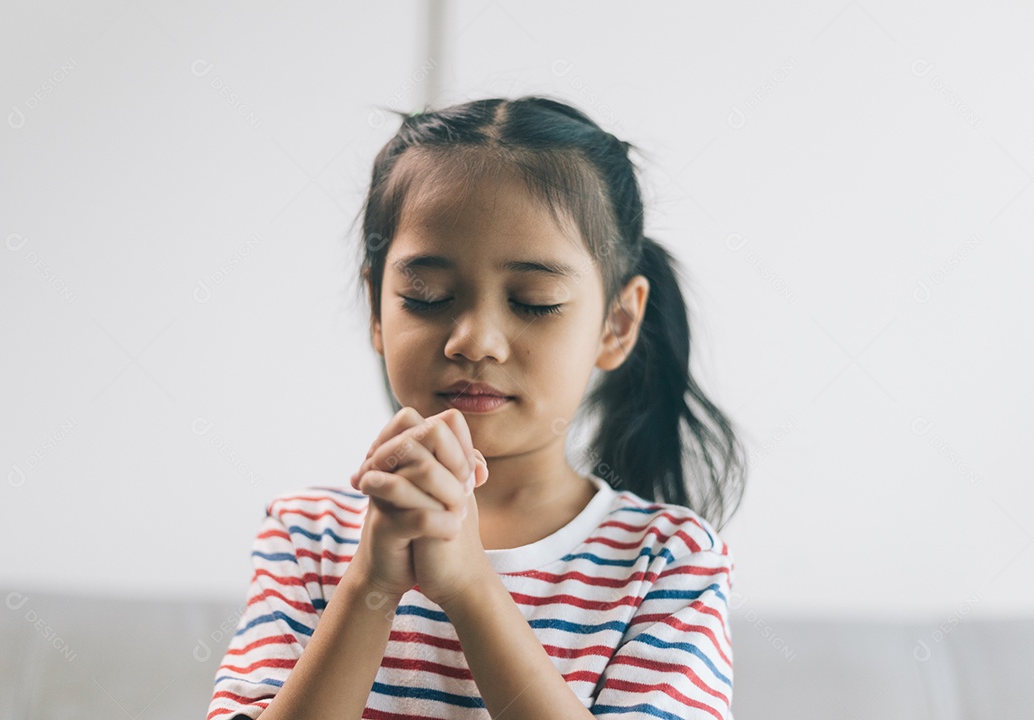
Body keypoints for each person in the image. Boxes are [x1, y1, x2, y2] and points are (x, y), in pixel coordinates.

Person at [205, 95, 747, 720]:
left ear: (617, 325)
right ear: (377, 307)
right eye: (426, 295)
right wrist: (370, 586)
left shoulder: (669, 561)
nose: (474, 340)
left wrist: (470, 589)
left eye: (534, 301)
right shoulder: (306, 539)